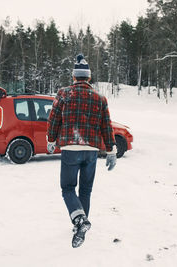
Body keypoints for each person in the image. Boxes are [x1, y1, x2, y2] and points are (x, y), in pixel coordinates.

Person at [47, 54, 117, 248]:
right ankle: (80, 225)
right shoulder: (100, 98)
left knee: (68, 188)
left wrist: (51, 140)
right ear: (88, 77)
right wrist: (111, 150)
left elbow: (53, 119)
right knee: (85, 190)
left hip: (70, 148)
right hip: (91, 151)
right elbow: (107, 126)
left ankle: (79, 221)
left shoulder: (64, 93)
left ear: (74, 77)